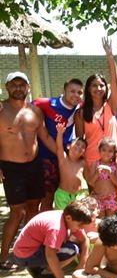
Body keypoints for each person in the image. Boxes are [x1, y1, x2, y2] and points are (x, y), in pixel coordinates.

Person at [1, 72, 47, 269]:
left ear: (28, 87)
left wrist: (65, 155)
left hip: (34, 166)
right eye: (14, 85)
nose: (18, 88)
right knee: (16, 212)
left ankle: (28, 252)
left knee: (32, 210)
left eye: (22, 84)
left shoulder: (35, 112)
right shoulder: (1, 110)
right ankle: (3, 257)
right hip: (12, 168)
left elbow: (45, 137)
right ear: (7, 87)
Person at [10, 198, 96, 278]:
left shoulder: (67, 217)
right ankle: (45, 272)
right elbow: (50, 255)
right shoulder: (56, 228)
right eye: (79, 225)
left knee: (74, 245)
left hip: (31, 250)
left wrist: (82, 264)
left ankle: (39, 268)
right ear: (69, 218)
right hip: (25, 255)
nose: (81, 228)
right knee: (72, 250)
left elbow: (84, 240)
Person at [34, 78, 83, 210]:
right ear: (63, 91)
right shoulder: (46, 103)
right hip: (47, 158)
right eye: (72, 91)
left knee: (63, 196)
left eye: (79, 92)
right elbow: (22, 107)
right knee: (46, 198)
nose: (76, 95)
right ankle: (44, 228)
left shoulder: (79, 107)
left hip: (65, 159)